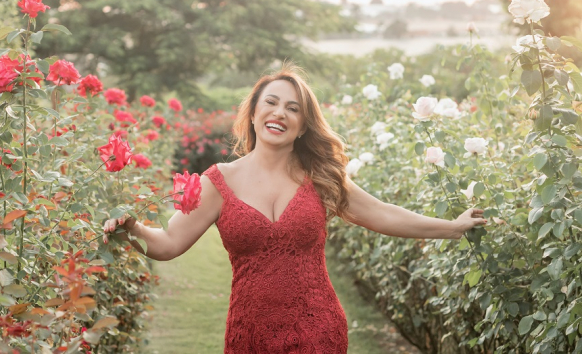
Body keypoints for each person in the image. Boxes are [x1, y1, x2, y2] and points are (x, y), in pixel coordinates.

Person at [103, 64, 487, 353]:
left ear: (303, 126)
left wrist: (452, 227)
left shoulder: (320, 177)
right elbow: (169, 243)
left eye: (293, 108)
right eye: (270, 103)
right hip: (249, 334)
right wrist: (132, 229)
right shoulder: (216, 181)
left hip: (318, 329)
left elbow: (382, 213)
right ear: (253, 112)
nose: (280, 113)